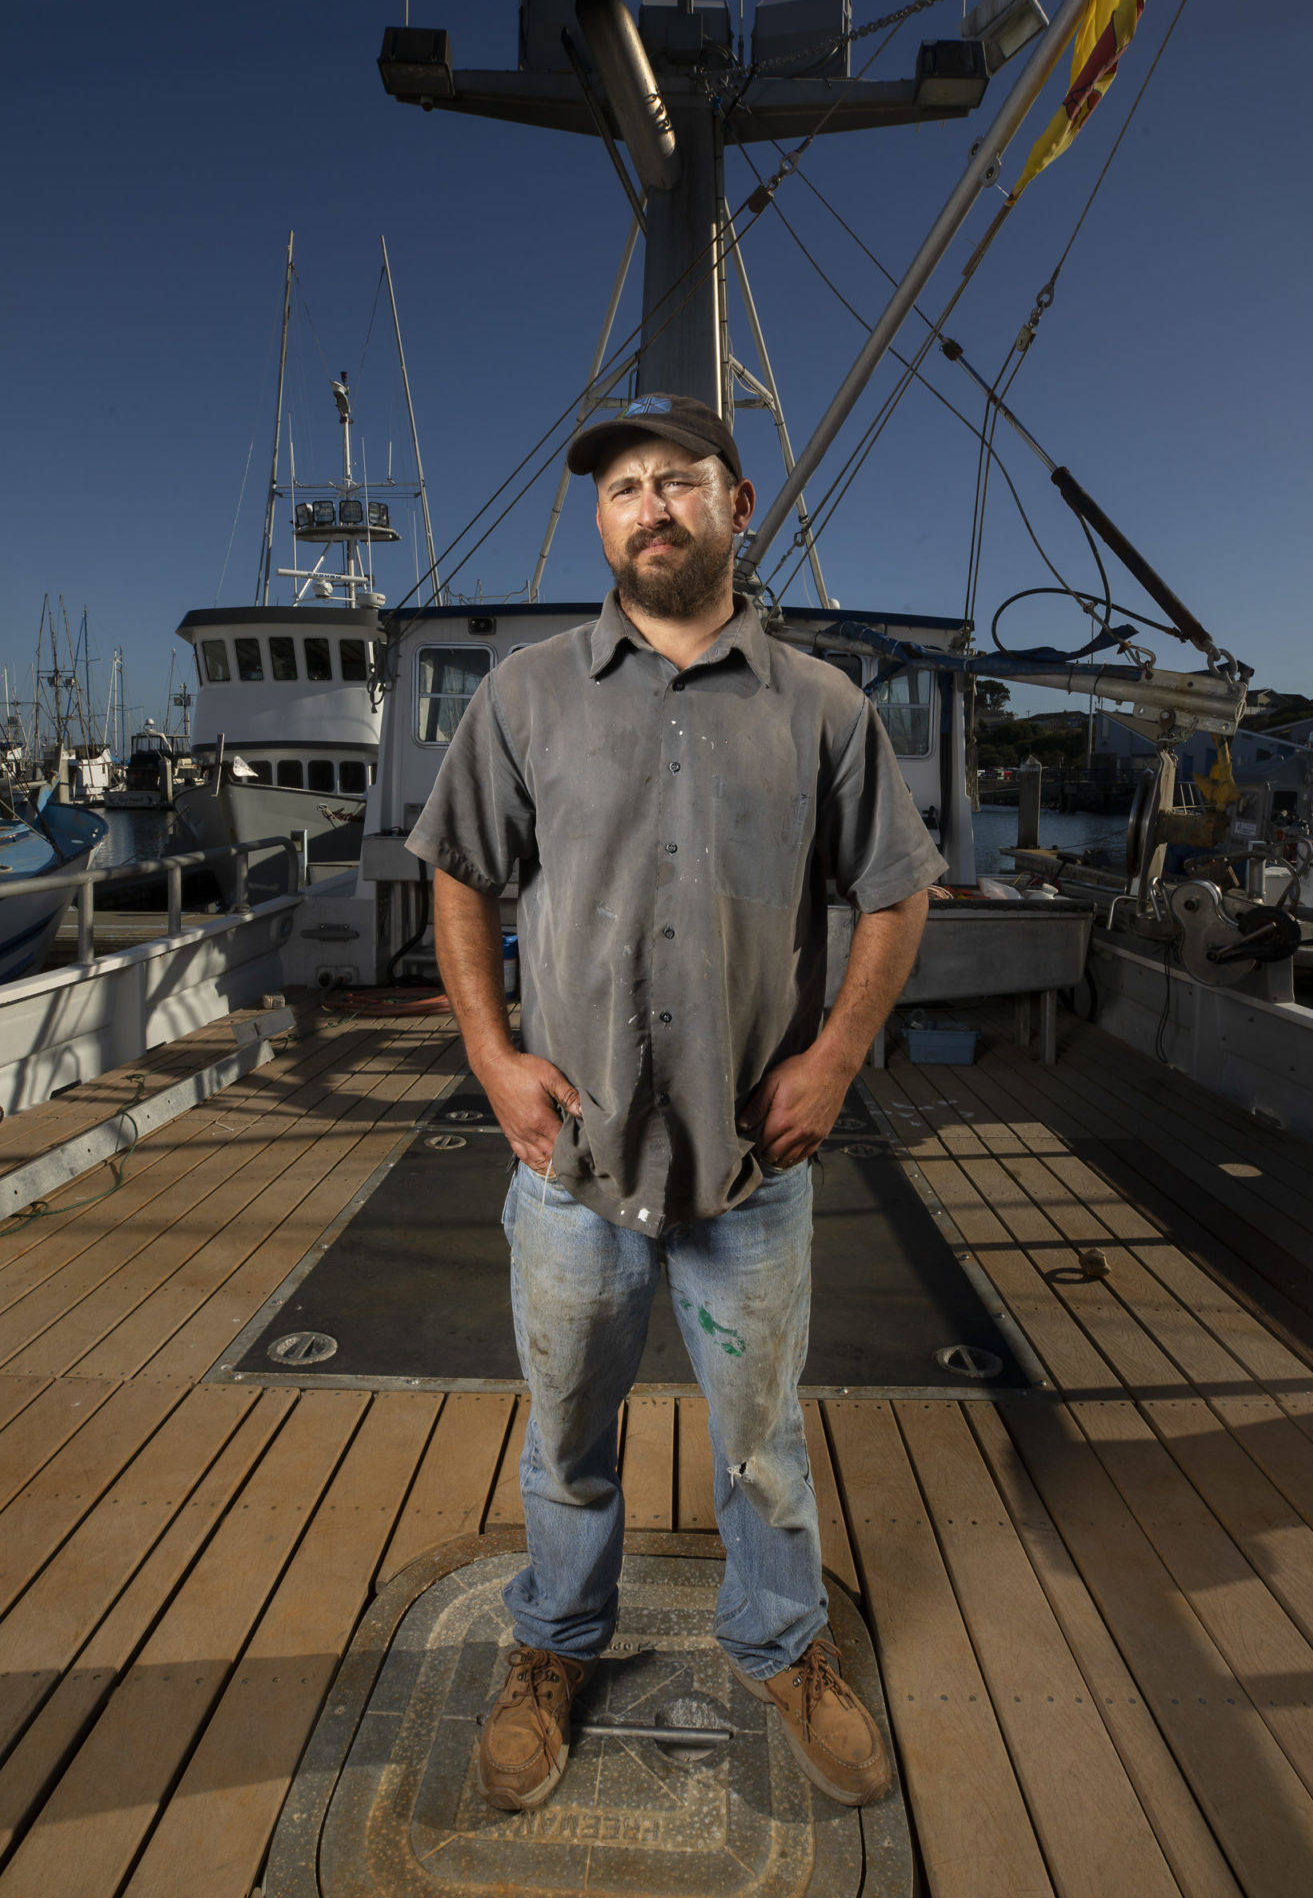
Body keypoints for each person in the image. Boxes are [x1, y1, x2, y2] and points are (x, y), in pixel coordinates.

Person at [408, 391, 946, 1816]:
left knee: (762, 1440)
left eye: (679, 482)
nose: (650, 506)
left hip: (748, 1168)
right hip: (570, 1153)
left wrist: (831, 1059)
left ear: (737, 505)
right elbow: (458, 872)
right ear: (602, 520)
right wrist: (491, 1055)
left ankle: (780, 1645)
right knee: (565, 1435)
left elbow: (897, 894)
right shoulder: (525, 695)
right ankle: (552, 1645)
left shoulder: (820, 706)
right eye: (623, 488)